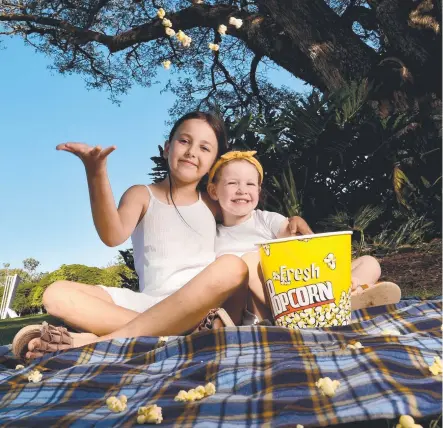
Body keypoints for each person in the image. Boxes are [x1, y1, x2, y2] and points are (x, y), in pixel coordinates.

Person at [13, 112, 253, 360]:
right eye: (184, 141)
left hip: (202, 308)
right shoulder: (142, 194)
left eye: (205, 147)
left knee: (233, 267)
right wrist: (96, 172)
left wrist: (291, 223)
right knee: (56, 294)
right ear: (167, 148)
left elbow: (255, 221)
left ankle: (100, 343)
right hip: (148, 305)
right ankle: (173, 336)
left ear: (214, 162)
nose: (192, 151)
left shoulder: (213, 203)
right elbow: (112, 235)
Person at [206, 150, 401, 323]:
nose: (242, 190)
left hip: (304, 285)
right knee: (248, 261)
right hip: (266, 307)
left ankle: (347, 293)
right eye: (232, 183)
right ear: (213, 191)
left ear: (258, 190)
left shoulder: (265, 219)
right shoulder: (213, 234)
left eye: (250, 184)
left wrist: (295, 223)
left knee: (369, 262)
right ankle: (326, 305)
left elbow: (291, 234)